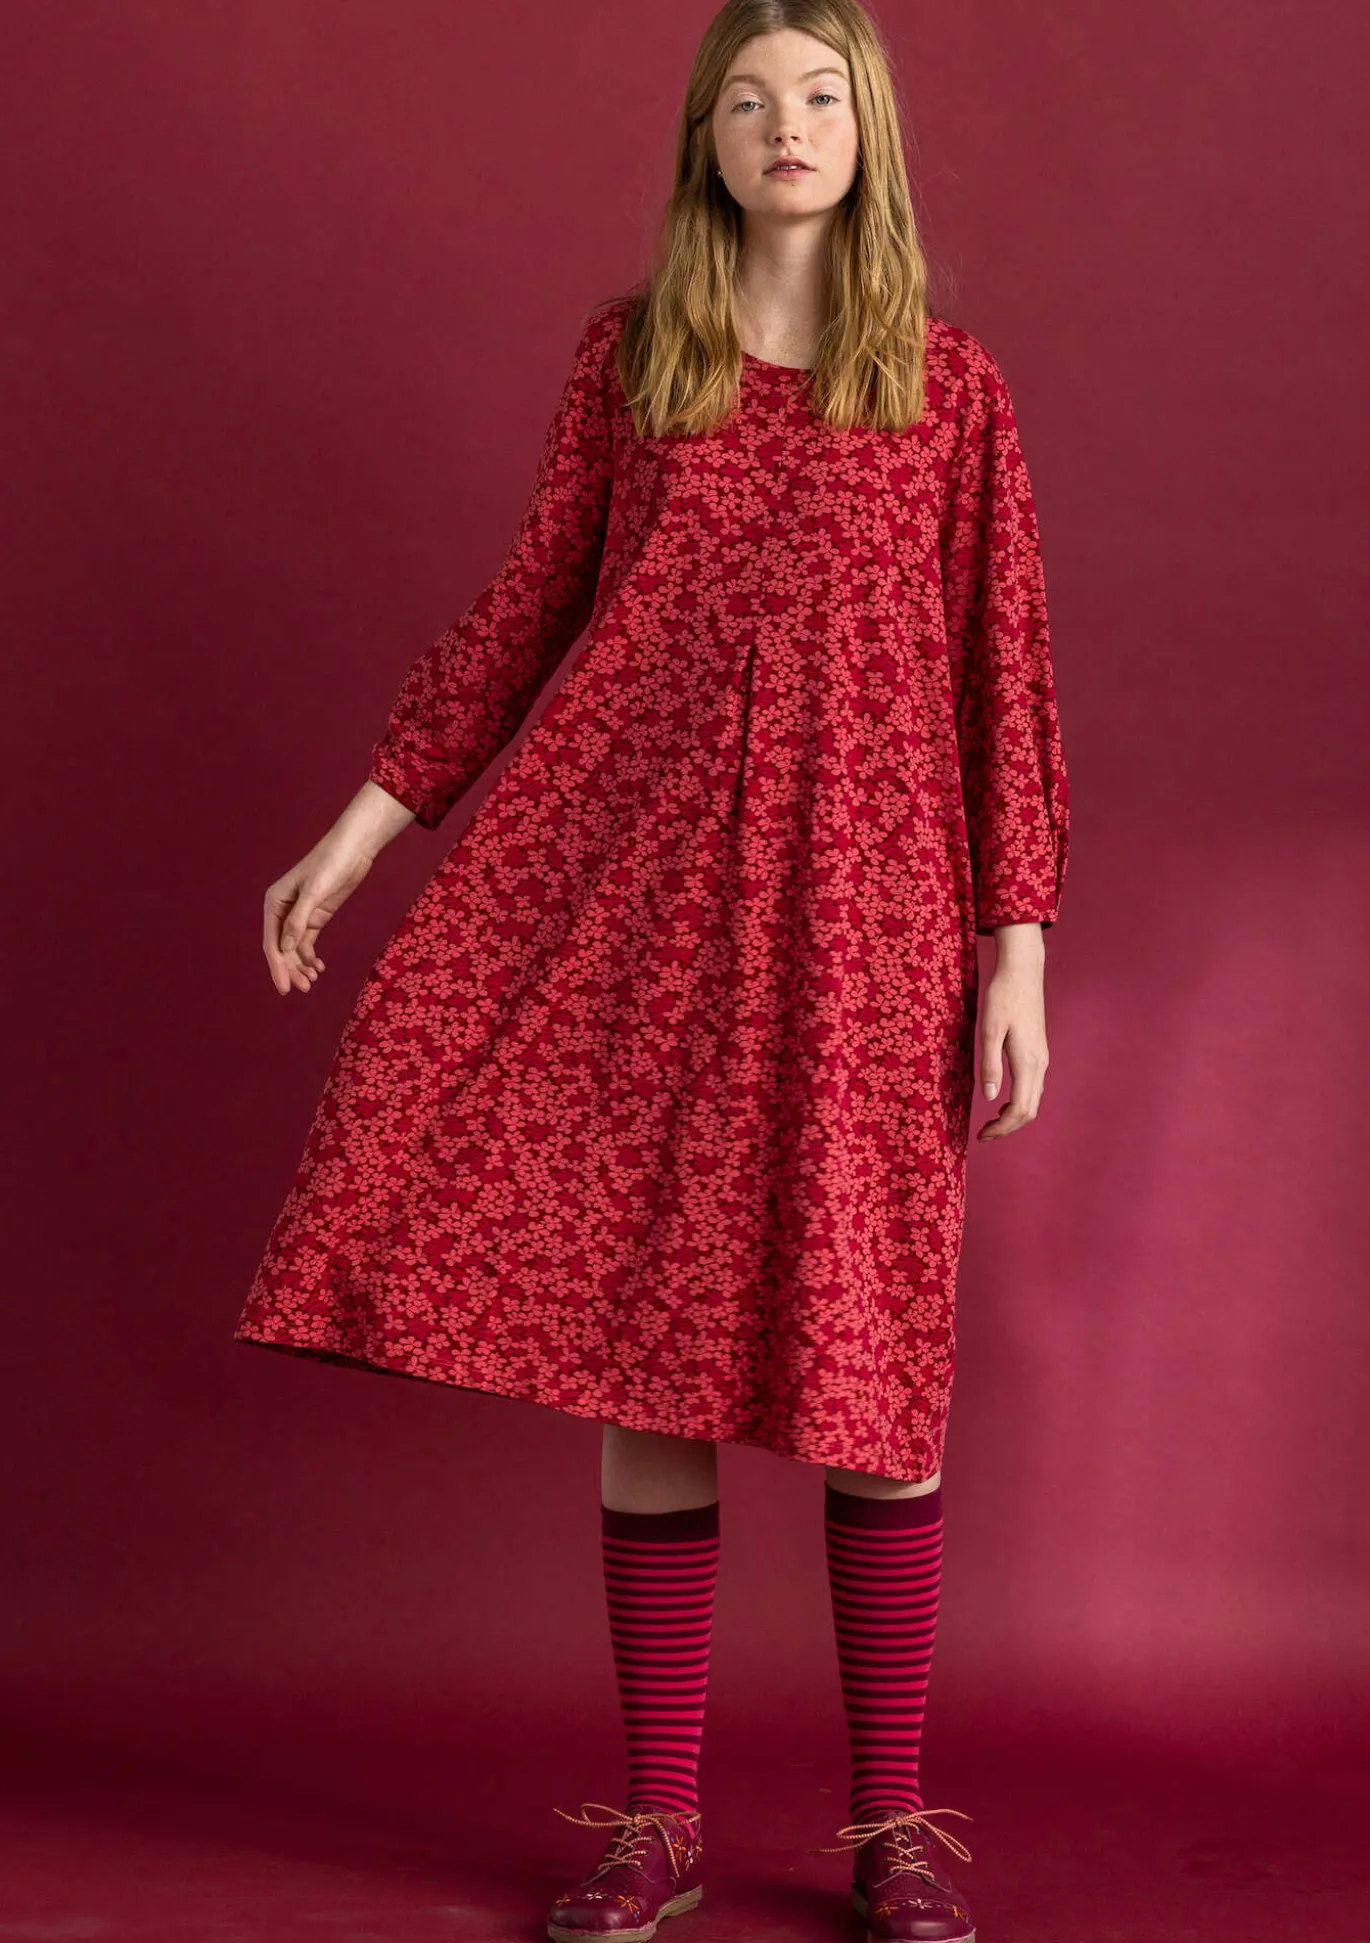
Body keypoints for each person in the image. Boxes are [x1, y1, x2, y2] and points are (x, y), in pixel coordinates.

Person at [234, 1, 1070, 1937]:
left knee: (874, 1374)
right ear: (705, 139)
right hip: (643, 909)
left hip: (867, 927)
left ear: (868, 132)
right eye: (750, 98)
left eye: (822, 94)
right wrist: (357, 833)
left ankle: (891, 1825)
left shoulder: (948, 391)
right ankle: (659, 1821)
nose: (788, 124)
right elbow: (527, 610)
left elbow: (1002, 670)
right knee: (649, 1361)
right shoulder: (634, 368)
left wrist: (1015, 947)